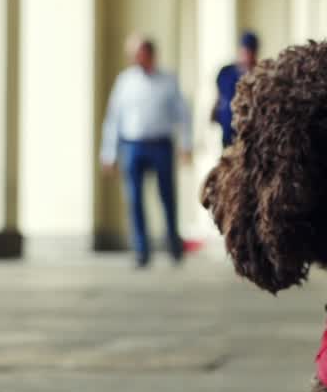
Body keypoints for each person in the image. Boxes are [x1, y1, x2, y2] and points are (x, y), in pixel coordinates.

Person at [100, 35, 191, 268]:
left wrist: (186, 145)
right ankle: (141, 249)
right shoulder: (125, 82)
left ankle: (173, 244)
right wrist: (108, 153)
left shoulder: (168, 80)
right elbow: (113, 119)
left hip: (160, 144)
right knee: (134, 199)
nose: (136, 58)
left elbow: (183, 114)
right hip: (133, 146)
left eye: (140, 53)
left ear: (150, 54)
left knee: (167, 196)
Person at [211, 31, 260, 148]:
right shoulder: (225, 72)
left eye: (250, 52)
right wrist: (214, 112)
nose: (247, 56)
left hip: (249, 133)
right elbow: (219, 97)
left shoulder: (259, 74)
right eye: (245, 51)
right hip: (228, 130)